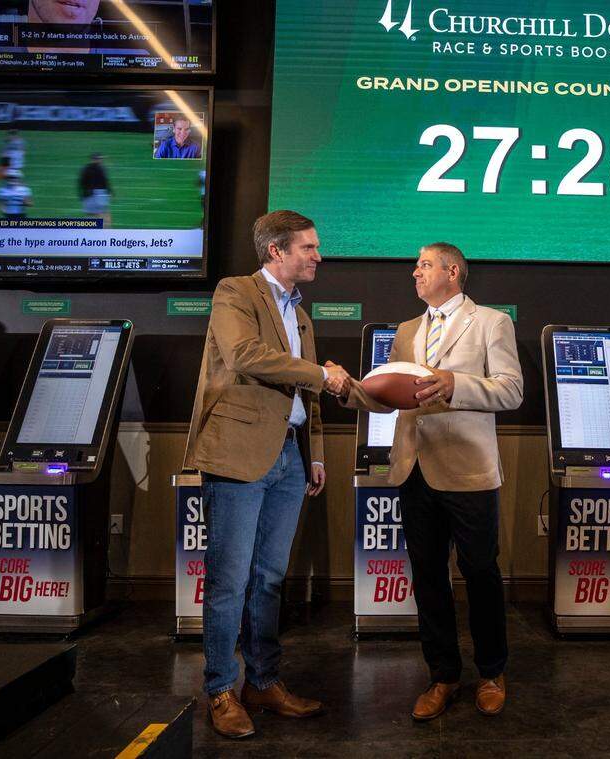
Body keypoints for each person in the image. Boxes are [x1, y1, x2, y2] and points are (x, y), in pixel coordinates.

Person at [183, 210, 352, 740]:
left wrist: (316, 452)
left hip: (290, 458)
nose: (318, 256)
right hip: (236, 454)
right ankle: (220, 690)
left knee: (269, 580)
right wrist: (323, 375)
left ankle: (263, 681)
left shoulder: (301, 314)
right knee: (229, 580)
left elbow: (308, 395)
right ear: (277, 251)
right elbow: (246, 355)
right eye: (309, 247)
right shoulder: (235, 292)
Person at [340, 242, 523, 721]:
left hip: (468, 469)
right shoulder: (405, 330)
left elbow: (511, 389)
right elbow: (395, 397)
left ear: (453, 271)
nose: (414, 273)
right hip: (413, 468)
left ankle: (491, 672)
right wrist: (352, 391)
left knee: (480, 572)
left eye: (424, 265)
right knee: (427, 575)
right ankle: (442, 676)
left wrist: (455, 384)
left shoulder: (491, 322)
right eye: (416, 266)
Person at [79, 153, 112, 227]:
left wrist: (82, 194)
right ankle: (106, 231)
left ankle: (92, 232)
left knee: (91, 214)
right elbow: (105, 181)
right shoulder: (101, 168)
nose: (100, 160)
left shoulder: (86, 168)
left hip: (89, 194)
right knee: (103, 213)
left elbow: (81, 182)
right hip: (99, 194)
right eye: (99, 159)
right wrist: (110, 192)